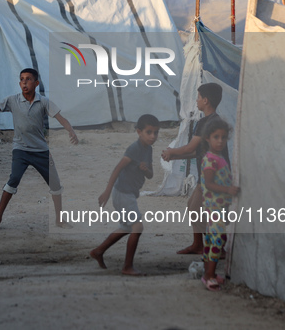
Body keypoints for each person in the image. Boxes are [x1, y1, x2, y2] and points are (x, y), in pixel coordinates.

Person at [0, 68, 78, 229]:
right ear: (19, 83)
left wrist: (70, 130)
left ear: (36, 83)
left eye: (29, 79)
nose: (24, 82)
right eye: (22, 79)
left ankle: (59, 220)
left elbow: (61, 117)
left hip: (41, 151)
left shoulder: (43, 102)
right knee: (13, 180)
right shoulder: (12, 100)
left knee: (55, 185)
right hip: (21, 150)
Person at [161, 82, 228, 255]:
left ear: (205, 100)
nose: (196, 101)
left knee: (199, 210)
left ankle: (215, 248)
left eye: (198, 97)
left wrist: (171, 151)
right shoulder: (216, 120)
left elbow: (191, 148)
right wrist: (174, 156)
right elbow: (198, 152)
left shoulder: (205, 123)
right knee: (195, 207)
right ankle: (201, 245)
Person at [90, 114, 160, 276]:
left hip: (129, 193)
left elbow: (150, 175)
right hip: (122, 192)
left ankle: (99, 251)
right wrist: (107, 192)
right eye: (149, 132)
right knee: (137, 227)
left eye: (156, 132)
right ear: (138, 132)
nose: (153, 136)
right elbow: (117, 169)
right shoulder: (134, 149)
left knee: (126, 227)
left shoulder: (148, 149)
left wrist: (146, 169)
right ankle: (127, 266)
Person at [199, 118, 239, 291]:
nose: (220, 141)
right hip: (214, 207)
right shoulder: (210, 160)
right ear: (208, 138)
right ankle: (209, 276)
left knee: (212, 239)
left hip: (218, 207)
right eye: (216, 137)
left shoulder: (218, 157)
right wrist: (227, 190)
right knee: (218, 239)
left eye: (223, 137)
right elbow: (208, 184)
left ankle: (210, 274)